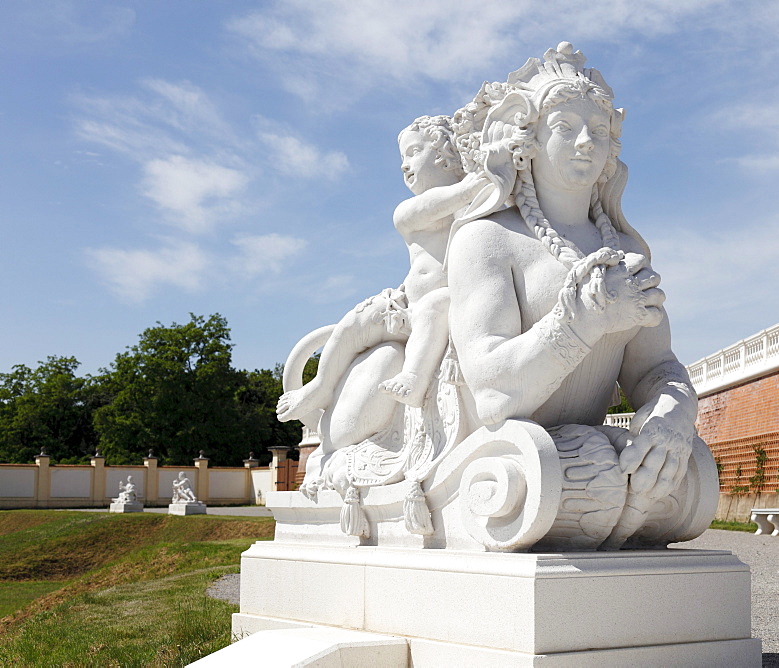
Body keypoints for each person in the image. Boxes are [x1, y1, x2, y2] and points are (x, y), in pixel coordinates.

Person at [446, 43, 706, 548]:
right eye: (566, 127)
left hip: (575, 455)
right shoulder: (487, 240)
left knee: (684, 475)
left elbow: (656, 368)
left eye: (602, 131)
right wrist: (583, 322)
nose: (588, 141)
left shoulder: (628, 250)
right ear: (530, 140)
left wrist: (672, 417)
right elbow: (493, 392)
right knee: (595, 479)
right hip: (505, 451)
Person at [276, 116, 483, 422]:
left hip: (442, 304)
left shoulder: (472, 201)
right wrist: (471, 186)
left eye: (413, 152)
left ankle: (413, 379)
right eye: (403, 157)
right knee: (351, 326)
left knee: (433, 308)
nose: (404, 165)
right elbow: (435, 206)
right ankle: (321, 384)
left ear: (443, 152)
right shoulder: (410, 210)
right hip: (401, 308)